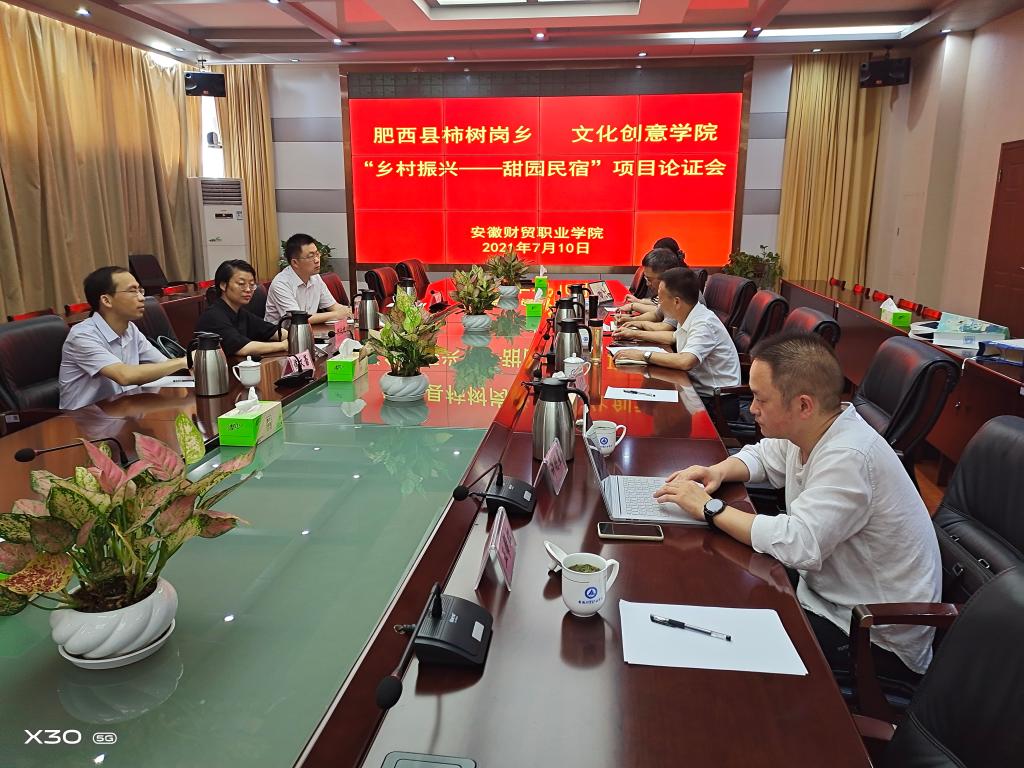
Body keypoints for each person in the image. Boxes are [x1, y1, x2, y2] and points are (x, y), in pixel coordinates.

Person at [652, 332, 942, 680]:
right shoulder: (812, 428)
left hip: (873, 635)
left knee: (722, 650)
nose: (752, 408)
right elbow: (765, 456)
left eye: (761, 398)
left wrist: (710, 509)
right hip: (825, 594)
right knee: (717, 587)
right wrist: (717, 471)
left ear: (803, 405)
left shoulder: (849, 457)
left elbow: (798, 543)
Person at [59, 266, 188, 410]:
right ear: (106, 300)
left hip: (123, 410)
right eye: (132, 291)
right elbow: (124, 375)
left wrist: (190, 365)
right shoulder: (82, 336)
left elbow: (163, 365)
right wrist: (184, 361)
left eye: (140, 290)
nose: (141, 298)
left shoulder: (130, 329)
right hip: (85, 418)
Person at [613, 267, 740, 400]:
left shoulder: (704, 323)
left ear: (677, 302)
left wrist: (643, 355)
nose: (659, 305)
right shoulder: (689, 313)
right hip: (693, 389)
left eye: (661, 299)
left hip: (715, 400)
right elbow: (673, 337)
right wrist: (634, 334)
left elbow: (685, 361)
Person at [196, 260, 288, 356]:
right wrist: (283, 345)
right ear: (223, 285)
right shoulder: (213, 316)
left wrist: (290, 336)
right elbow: (242, 348)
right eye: (241, 284)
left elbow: (271, 331)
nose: (248, 289)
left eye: (252, 285)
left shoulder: (240, 312)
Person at [264, 234, 353, 325]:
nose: (317, 260)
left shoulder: (315, 277)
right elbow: (298, 319)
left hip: (309, 330)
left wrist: (350, 312)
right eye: (311, 256)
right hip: (283, 332)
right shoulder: (281, 284)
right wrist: (336, 314)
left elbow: (333, 306)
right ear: (295, 262)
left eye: (317, 254)